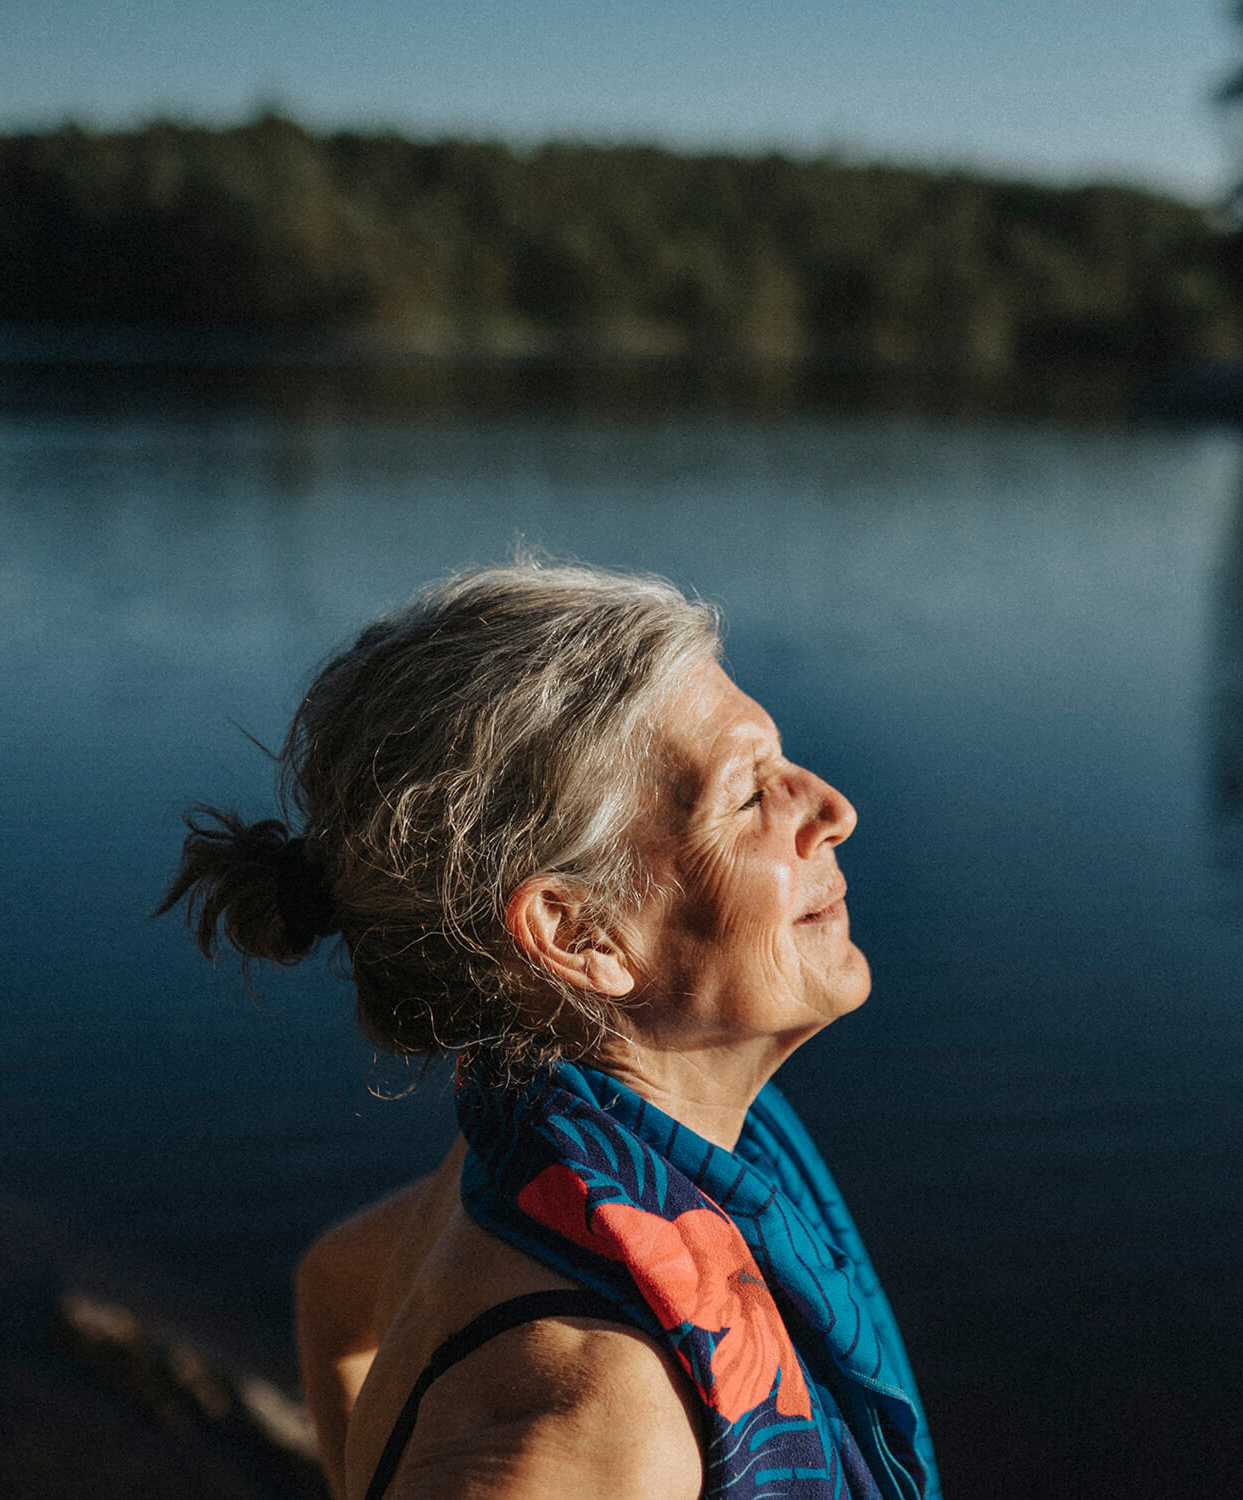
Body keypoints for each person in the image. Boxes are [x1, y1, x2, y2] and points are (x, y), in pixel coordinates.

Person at [162, 560, 938, 1500]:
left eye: (783, 760)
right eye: (747, 796)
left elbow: (332, 1287)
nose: (833, 810)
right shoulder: (606, 1424)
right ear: (582, 935)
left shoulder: (529, 1161)